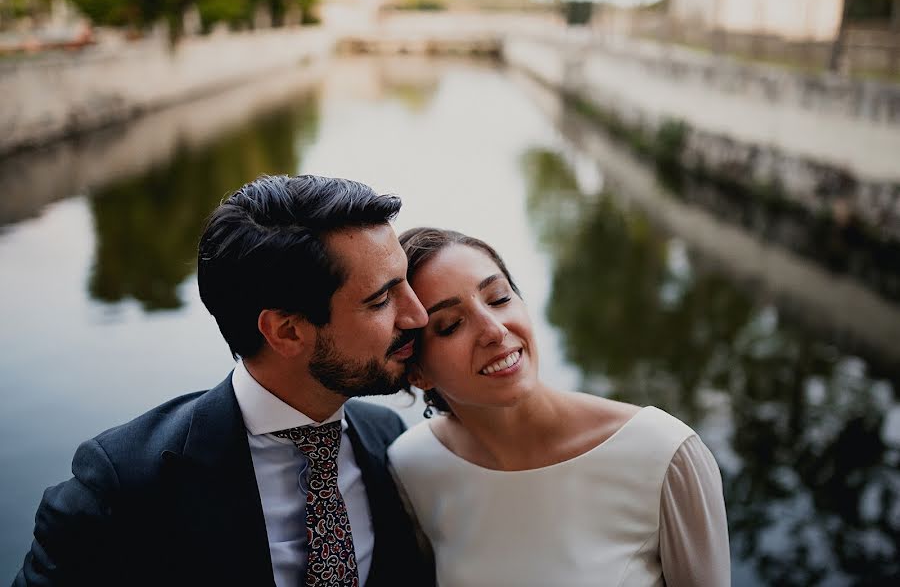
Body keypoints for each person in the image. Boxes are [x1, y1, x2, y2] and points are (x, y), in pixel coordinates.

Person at [16, 175, 435, 587]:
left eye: (407, 285)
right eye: (381, 299)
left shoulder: (388, 441)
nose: (418, 315)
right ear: (286, 331)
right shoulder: (121, 487)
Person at [388, 228, 730, 587]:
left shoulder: (664, 453)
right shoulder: (411, 466)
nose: (494, 330)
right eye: (451, 325)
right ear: (418, 372)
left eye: (499, 298)